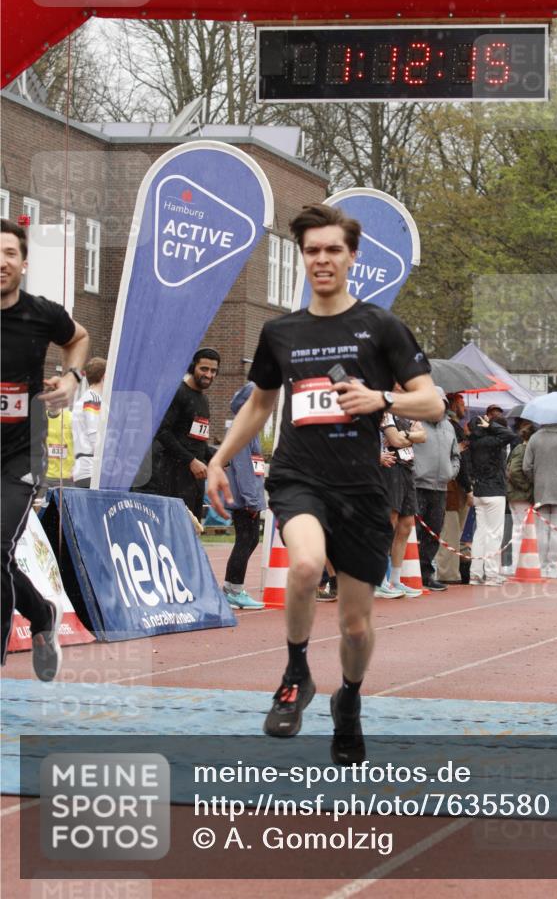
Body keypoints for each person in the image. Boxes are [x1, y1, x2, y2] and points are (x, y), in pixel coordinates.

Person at [206, 203, 442, 764]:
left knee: (356, 625)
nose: (323, 260)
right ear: (302, 257)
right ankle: (295, 673)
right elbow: (261, 403)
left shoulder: (379, 326)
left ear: (352, 257)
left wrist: (381, 397)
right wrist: (219, 458)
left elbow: (430, 401)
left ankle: (350, 700)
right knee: (306, 566)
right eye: (313, 250)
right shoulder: (280, 331)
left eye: (334, 249)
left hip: (361, 488)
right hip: (298, 476)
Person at [1, 218, 89, 680]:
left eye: (10, 254)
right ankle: (42, 615)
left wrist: (74, 376)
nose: (1, 262)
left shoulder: (41, 313)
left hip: (20, 456)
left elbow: (79, 338)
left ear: (24, 263)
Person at [135, 347, 220, 519]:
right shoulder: (177, 393)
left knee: (193, 530)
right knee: (175, 530)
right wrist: (190, 460)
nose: (209, 374)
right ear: (192, 367)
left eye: (213, 371)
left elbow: (197, 441)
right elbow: (162, 432)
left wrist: (218, 459)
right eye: (204, 369)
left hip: (196, 479)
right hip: (173, 476)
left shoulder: (203, 399)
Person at [221, 383, 265, 610]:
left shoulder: (252, 428)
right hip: (245, 498)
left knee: (250, 539)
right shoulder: (242, 429)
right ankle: (234, 589)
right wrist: (251, 500)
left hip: (250, 496)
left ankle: (231, 586)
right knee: (246, 539)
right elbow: (243, 468)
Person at [377, 400, 426, 597]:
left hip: (408, 469)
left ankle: (396, 580)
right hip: (390, 469)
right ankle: (379, 579)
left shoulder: (410, 411)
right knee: (390, 522)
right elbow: (394, 441)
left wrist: (406, 436)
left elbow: (423, 436)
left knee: (406, 524)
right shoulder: (385, 412)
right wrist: (410, 437)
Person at [413, 390, 458, 591]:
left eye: (442, 404)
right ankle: (409, 573)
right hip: (418, 485)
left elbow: (456, 455)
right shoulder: (415, 422)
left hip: (441, 488)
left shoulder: (449, 426)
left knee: (434, 532)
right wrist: (414, 470)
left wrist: (451, 473)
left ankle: (426, 574)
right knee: (413, 531)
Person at [468, 414, 516, 585]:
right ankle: (491, 574)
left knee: (480, 533)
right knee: (494, 534)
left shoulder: (473, 443)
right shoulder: (493, 442)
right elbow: (510, 435)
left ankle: (475, 573)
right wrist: (491, 426)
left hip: (479, 491)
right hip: (495, 491)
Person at [523, 423, 557, 579]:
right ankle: (553, 566)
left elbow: (526, 466)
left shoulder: (534, 438)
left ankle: (543, 565)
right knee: (556, 528)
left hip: (541, 488)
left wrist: (536, 478)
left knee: (542, 529)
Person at [436, 392, 474, 583]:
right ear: (451, 404)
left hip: (455, 485)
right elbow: (460, 459)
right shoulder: (450, 427)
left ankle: (449, 572)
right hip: (452, 487)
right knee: (450, 533)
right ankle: (447, 573)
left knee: (453, 533)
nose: (464, 407)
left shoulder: (453, 427)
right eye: (460, 403)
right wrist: (468, 488)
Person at [72, 356, 106, 488]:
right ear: (105, 376)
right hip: (92, 471)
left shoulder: (82, 399)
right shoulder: (93, 400)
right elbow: (95, 437)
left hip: (83, 469)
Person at [506, 421, 536, 575]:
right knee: (520, 530)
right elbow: (513, 471)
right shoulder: (524, 450)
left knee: (518, 530)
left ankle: (518, 563)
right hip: (520, 495)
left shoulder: (518, 448)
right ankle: (518, 564)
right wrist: (526, 487)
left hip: (514, 494)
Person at [44, 408, 75, 487]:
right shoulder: (40, 418)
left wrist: (77, 467)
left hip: (66, 477)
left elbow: (81, 444)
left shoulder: (71, 417)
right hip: (45, 476)